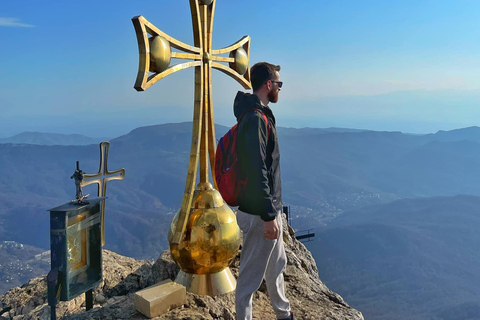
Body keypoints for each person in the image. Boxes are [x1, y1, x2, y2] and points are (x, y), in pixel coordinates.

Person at [234, 62, 293, 320]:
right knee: (249, 280)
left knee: (276, 265)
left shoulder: (260, 114)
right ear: (268, 84)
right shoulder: (256, 119)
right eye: (278, 84)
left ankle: (284, 314)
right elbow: (257, 169)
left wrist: (274, 212)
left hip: (269, 209)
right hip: (260, 212)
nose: (280, 88)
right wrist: (269, 217)